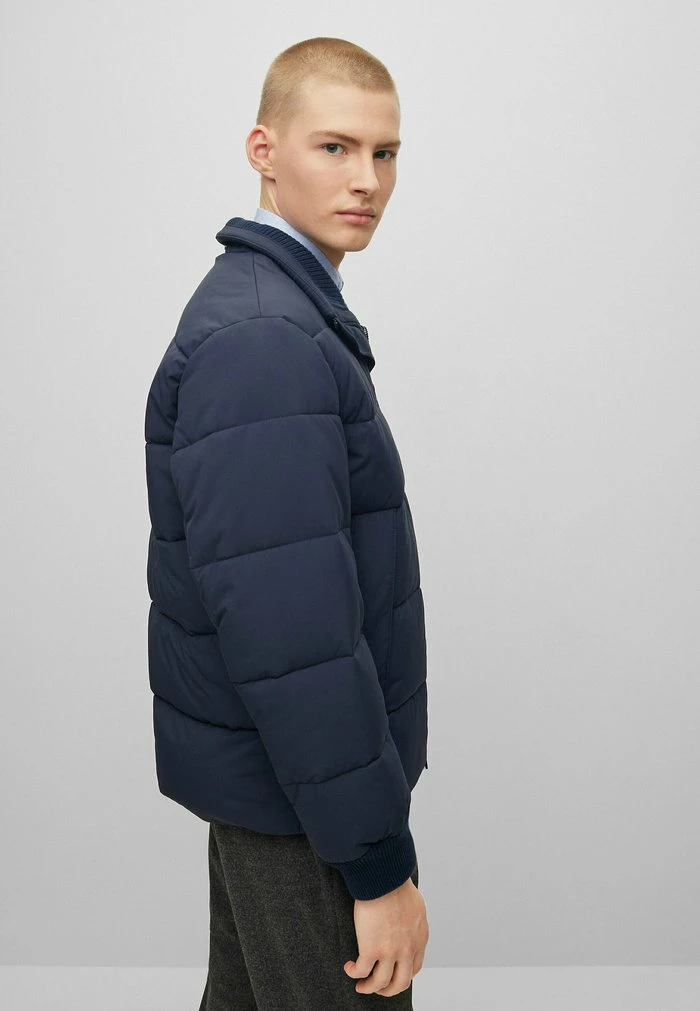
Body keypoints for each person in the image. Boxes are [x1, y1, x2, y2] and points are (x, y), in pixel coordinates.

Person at [144, 36, 430, 1009]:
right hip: (304, 806)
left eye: (385, 153)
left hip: (283, 792)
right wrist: (376, 864)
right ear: (263, 150)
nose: (367, 180)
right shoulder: (267, 337)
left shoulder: (280, 313)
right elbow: (293, 636)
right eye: (335, 147)